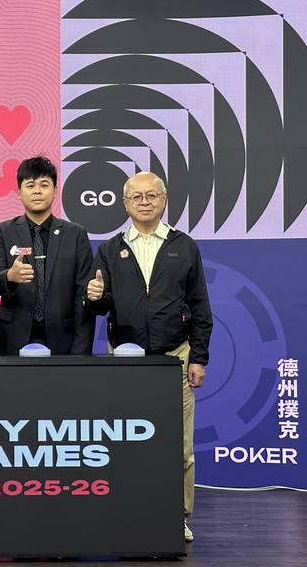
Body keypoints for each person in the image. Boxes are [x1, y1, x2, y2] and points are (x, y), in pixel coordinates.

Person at [85, 171, 212, 543]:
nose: (144, 202)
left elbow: (200, 307)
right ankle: (125, 511)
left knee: (180, 446)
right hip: (125, 360)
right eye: (136, 196)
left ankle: (177, 516)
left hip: (176, 356)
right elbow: (101, 306)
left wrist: (199, 357)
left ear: (164, 200)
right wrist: (95, 297)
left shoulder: (184, 246)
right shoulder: (110, 249)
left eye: (151, 195)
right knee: (123, 442)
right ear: (125, 203)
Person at [0, 155, 94, 355]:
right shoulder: (2, 231)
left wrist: (81, 350)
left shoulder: (76, 234)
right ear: (19, 192)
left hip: (63, 340)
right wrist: (9, 276)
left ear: (55, 191)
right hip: (13, 338)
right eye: (30, 185)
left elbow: (83, 295)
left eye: (44, 185)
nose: (37, 191)